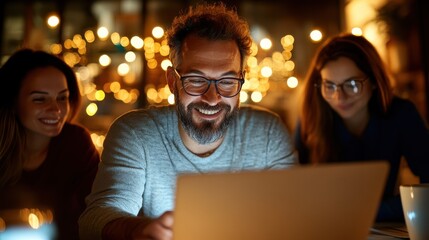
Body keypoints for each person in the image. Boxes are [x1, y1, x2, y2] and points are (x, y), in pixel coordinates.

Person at [79, 2, 297, 240]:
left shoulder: (267, 133)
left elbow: (297, 218)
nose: (212, 98)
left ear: (241, 80)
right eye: (196, 79)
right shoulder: (135, 133)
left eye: (227, 81)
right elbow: (95, 219)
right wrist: (139, 229)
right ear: (173, 81)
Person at [294, 33, 429, 222]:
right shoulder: (311, 118)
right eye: (329, 86)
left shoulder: (401, 114)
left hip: (381, 226)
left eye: (352, 84)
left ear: (374, 81)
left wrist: (371, 212)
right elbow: (293, 191)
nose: (339, 97)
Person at [0, 49, 100, 239]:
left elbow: (98, 213)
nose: (56, 109)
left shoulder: (77, 144)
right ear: (13, 102)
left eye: (62, 97)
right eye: (40, 99)